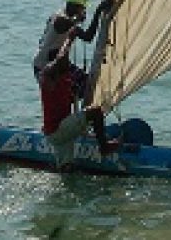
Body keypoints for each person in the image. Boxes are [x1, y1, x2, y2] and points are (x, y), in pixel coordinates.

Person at [39, 32, 118, 170]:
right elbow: (61, 57)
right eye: (65, 62)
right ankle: (104, 147)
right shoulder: (48, 75)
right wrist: (70, 37)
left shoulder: (64, 79)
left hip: (58, 133)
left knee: (66, 168)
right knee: (95, 111)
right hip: (59, 130)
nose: (68, 63)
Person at [33, 0, 113, 81]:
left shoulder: (60, 14)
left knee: (85, 82)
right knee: (83, 85)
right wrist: (98, 11)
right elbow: (88, 37)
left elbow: (72, 23)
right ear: (75, 7)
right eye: (82, 8)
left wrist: (77, 19)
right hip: (44, 66)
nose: (83, 10)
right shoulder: (61, 20)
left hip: (56, 62)